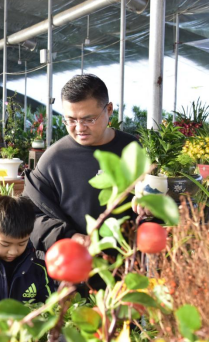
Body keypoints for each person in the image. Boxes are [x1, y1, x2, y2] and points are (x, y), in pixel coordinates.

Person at [23, 74, 138, 256]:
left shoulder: (133, 150)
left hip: (128, 266)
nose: (79, 127)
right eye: (70, 120)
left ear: (109, 110)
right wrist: (69, 237)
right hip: (73, 267)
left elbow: (155, 196)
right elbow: (30, 216)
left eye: (88, 119)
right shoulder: (54, 160)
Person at [0, 196, 55, 323]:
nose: (13, 251)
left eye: (21, 244)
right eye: (5, 244)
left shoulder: (38, 269)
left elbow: (49, 308)